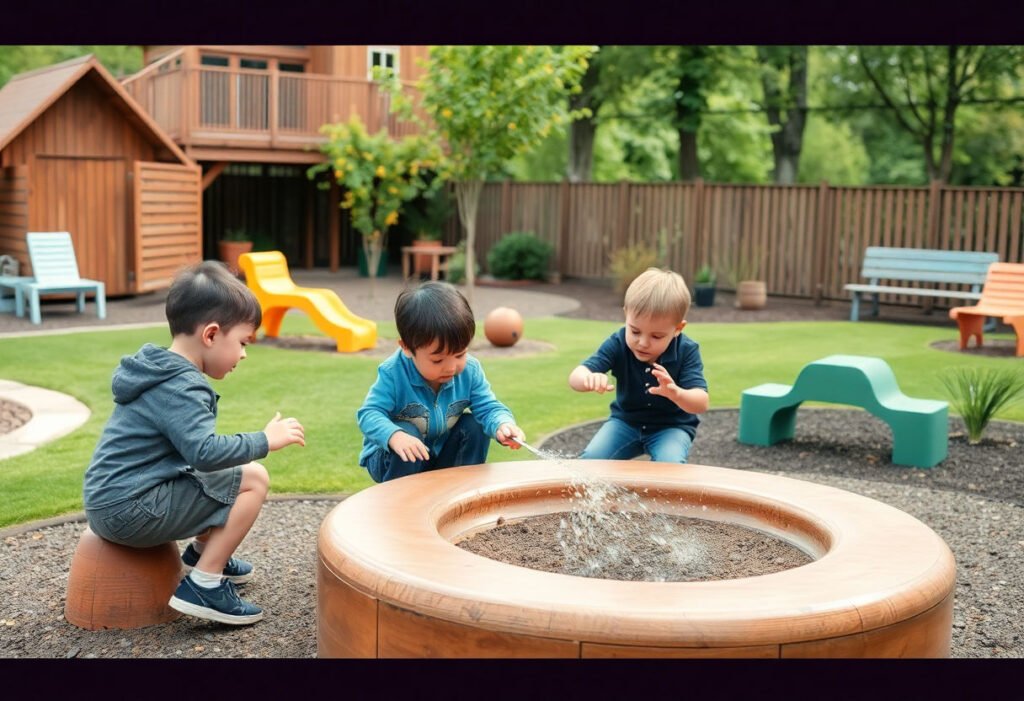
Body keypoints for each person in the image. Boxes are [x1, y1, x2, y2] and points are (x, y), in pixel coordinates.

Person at [82, 260, 306, 626]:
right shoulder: (183, 386)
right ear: (211, 334)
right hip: (130, 509)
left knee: (223, 476)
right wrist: (265, 440)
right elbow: (204, 454)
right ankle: (205, 582)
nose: (245, 354)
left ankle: (202, 551)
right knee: (254, 479)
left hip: (111, 500)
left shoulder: (158, 369)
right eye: (243, 342)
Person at [357, 281, 526, 483]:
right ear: (407, 348)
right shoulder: (393, 373)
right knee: (407, 430)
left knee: (474, 425)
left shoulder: (470, 371)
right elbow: (368, 414)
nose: (451, 367)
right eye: (437, 360)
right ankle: (400, 504)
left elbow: (488, 408)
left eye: (460, 354)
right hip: (390, 458)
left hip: (437, 455)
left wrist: (502, 423)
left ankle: (461, 492)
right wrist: (395, 435)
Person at [569, 267, 709, 463]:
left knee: (670, 468)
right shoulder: (618, 342)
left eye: (656, 336)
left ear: (678, 329)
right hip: (625, 423)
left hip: (671, 428)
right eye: (635, 331)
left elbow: (701, 402)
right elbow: (576, 376)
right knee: (592, 462)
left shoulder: (686, 351)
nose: (642, 342)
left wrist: (676, 393)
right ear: (626, 314)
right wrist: (587, 378)